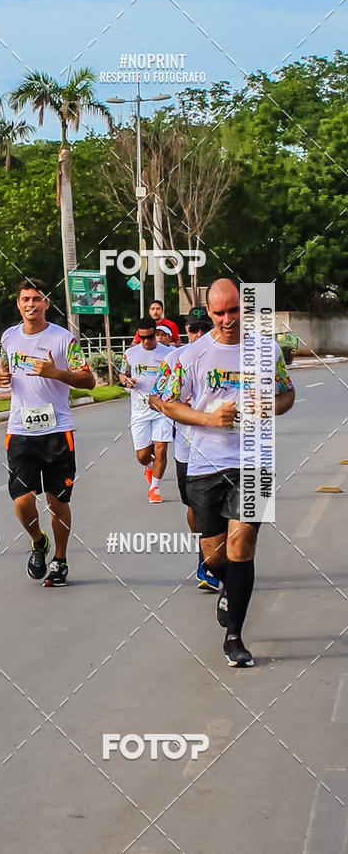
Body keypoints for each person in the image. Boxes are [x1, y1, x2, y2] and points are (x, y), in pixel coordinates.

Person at [160, 279, 295, 667]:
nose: (228, 320)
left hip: (255, 460)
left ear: (244, 308)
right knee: (215, 555)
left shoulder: (266, 350)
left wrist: (269, 403)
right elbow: (167, 404)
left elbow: (288, 394)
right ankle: (225, 585)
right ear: (209, 312)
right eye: (219, 313)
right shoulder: (190, 355)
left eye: (234, 310)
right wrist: (208, 418)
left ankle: (234, 636)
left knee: (242, 545)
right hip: (205, 463)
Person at [0, 278, 96, 587]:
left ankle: (61, 559)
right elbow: (4, 368)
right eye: (25, 298)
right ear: (18, 303)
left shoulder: (64, 339)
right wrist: (1, 376)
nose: (31, 304)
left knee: (57, 502)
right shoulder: (9, 337)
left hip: (57, 431)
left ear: (46, 304)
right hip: (20, 430)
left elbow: (89, 381)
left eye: (37, 299)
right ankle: (38, 542)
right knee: (22, 500)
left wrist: (57, 373)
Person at [151, 306, 218, 591]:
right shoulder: (174, 359)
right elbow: (155, 397)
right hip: (187, 448)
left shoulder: (227, 356)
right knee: (194, 507)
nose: (200, 334)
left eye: (205, 328)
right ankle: (205, 555)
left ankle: (227, 563)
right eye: (194, 329)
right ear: (186, 331)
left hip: (223, 446)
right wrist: (173, 408)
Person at [120, 318, 172, 503]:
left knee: (161, 448)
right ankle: (149, 466)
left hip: (162, 408)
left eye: (149, 337)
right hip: (140, 409)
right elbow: (122, 373)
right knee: (142, 455)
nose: (146, 341)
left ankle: (155, 487)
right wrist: (126, 381)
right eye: (142, 338)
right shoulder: (130, 353)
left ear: (156, 333)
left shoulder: (170, 353)